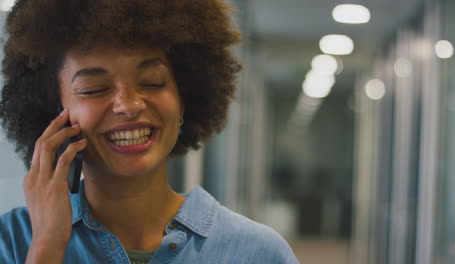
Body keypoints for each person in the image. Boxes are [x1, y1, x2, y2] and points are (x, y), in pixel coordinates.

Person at [0, 0, 299, 263]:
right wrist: (46, 248)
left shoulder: (258, 253)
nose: (128, 106)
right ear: (53, 111)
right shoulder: (11, 243)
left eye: (153, 82)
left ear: (184, 99)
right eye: (95, 89)